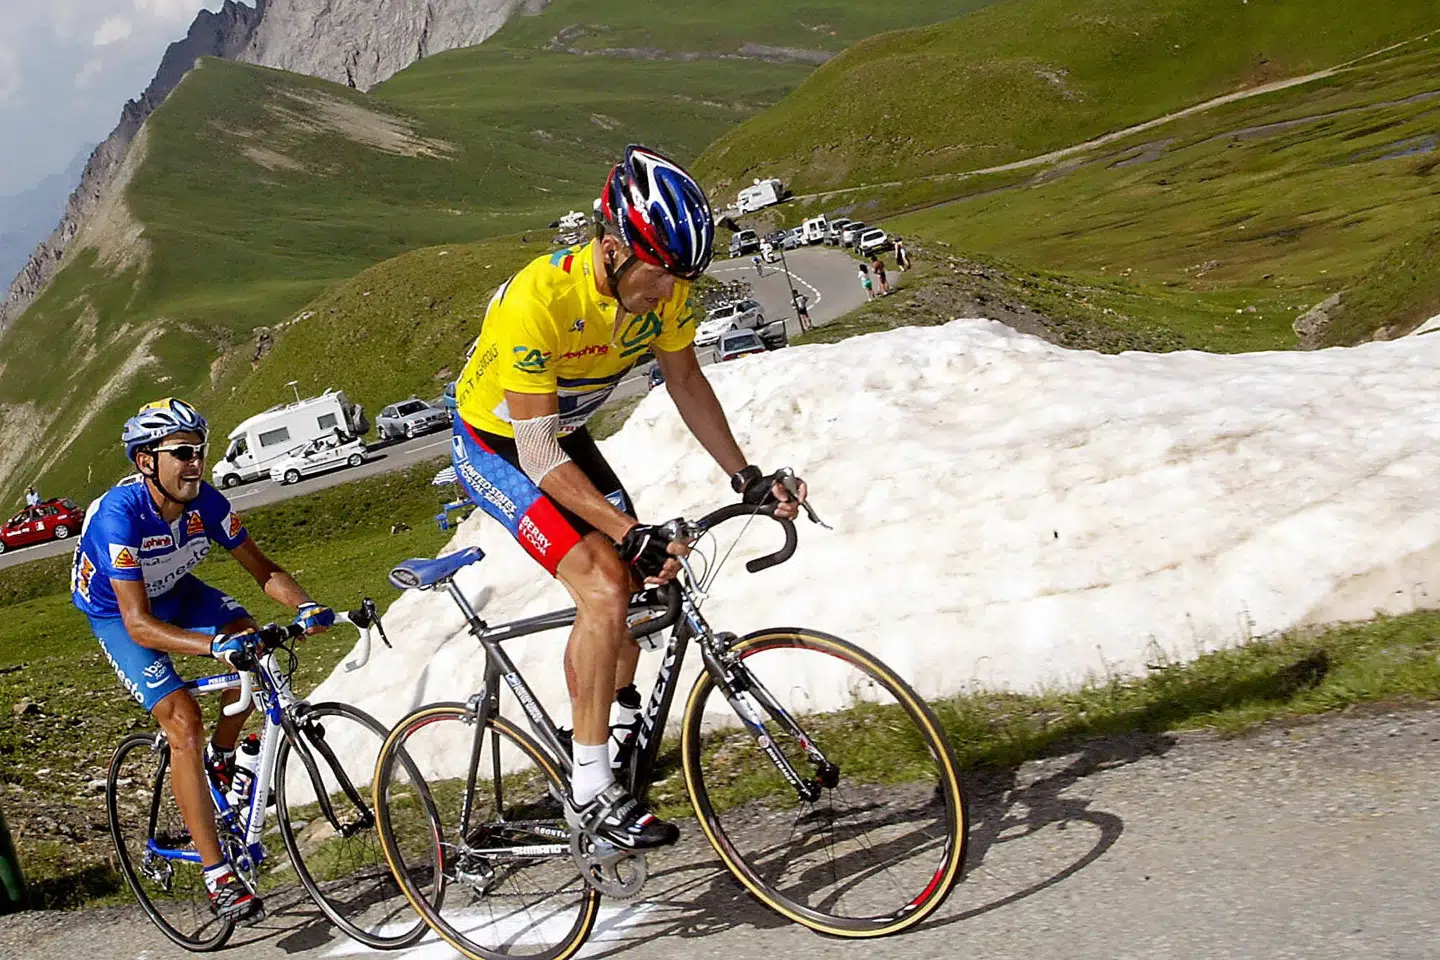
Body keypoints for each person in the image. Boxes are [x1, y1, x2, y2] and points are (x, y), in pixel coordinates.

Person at [449, 144, 807, 851]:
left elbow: (687, 384)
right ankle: (590, 787)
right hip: (501, 444)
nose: (672, 295)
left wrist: (747, 476)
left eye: (683, 280)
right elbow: (539, 454)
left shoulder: (662, 292)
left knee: (644, 582)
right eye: (661, 276)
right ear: (613, 250)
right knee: (606, 582)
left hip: (564, 434)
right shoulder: (540, 300)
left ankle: (599, 730)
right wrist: (625, 526)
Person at [71, 398, 336, 923]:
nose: (196, 462)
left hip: (177, 589)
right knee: (183, 721)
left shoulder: (207, 503)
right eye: (183, 452)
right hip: (121, 612)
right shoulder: (118, 518)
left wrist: (307, 605)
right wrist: (213, 647)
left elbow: (262, 570)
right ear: (146, 461)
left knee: (253, 644)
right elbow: (139, 624)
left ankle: (222, 753)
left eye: (200, 450)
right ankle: (217, 873)